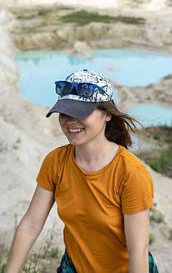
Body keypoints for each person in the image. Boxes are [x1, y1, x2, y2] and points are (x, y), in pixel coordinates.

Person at [5, 69, 158, 273]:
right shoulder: (55, 162)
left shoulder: (130, 173)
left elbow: (138, 251)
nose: (70, 120)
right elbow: (31, 225)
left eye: (81, 112)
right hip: (74, 267)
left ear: (107, 114)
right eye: (65, 112)